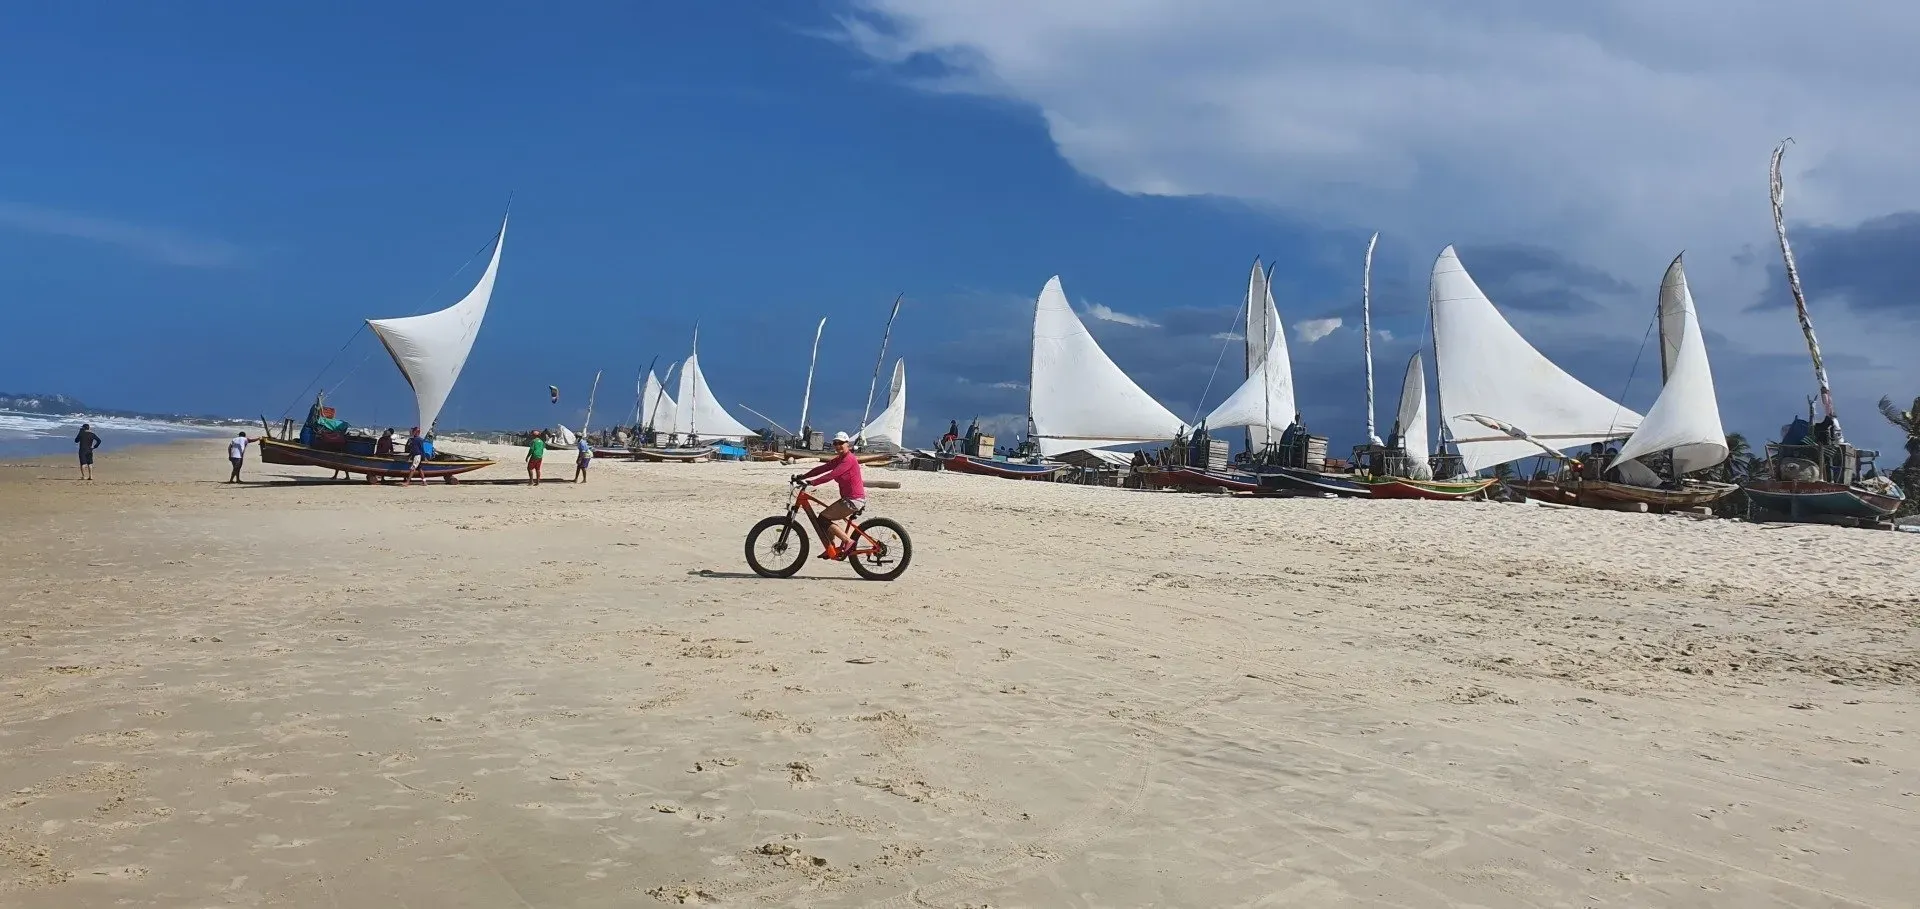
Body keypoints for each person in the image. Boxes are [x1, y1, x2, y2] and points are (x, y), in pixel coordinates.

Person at [796, 431, 866, 560]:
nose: (838, 445)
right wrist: (804, 476)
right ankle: (831, 547)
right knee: (824, 518)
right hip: (848, 499)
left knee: (823, 518)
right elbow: (822, 469)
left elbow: (832, 475)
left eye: (841, 443)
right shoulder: (840, 459)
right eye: (835, 443)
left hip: (853, 500)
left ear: (848, 444)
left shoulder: (849, 459)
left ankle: (848, 541)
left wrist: (812, 482)